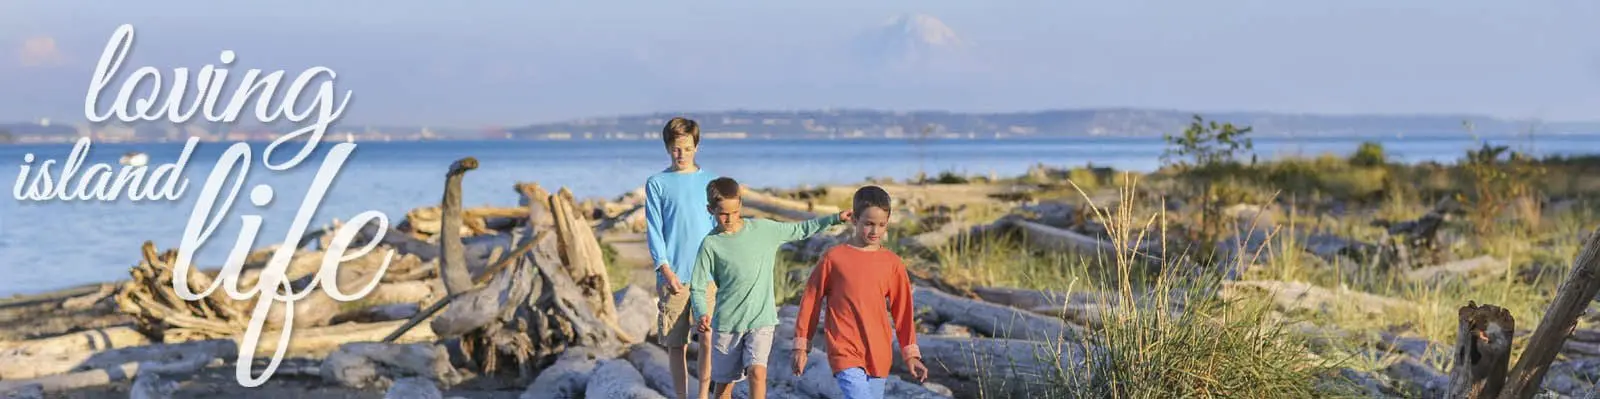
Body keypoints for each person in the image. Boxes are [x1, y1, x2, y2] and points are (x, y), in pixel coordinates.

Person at [690, 177, 852, 399]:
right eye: (723, 213)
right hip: (727, 324)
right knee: (723, 388)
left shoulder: (763, 230)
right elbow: (698, 285)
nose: (729, 218)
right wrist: (701, 313)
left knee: (757, 372)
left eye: (735, 212)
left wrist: (835, 218)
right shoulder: (711, 244)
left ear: (740, 205)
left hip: (761, 319)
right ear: (710, 210)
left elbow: (801, 229)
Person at [791, 185, 928, 399]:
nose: (875, 231)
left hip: (879, 352)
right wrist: (801, 346)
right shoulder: (833, 258)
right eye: (869, 224)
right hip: (844, 348)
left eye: (881, 225)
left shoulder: (892, 263)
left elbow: (903, 312)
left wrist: (911, 355)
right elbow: (811, 302)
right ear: (854, 220)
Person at [644, 117, 720, 399]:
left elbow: (718, 229)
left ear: (696, 146)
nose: (682, 154)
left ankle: (703, 395)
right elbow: (654, 230)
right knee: (677, 345)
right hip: (672, 275)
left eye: (687, 148)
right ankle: (681, 396)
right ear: (668, 147)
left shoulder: (711, 182)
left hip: (707, 276)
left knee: (709, 339)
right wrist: (665, 270)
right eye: (676, 148)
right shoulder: (657, 183)